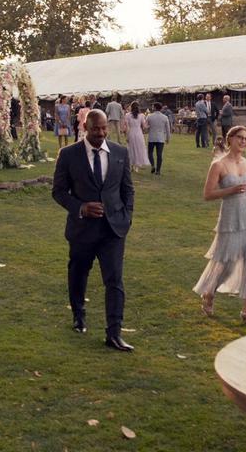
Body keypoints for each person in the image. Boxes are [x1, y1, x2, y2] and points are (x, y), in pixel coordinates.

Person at [52, 109, 135, 352]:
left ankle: (114, 332)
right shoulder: (68, 155)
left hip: (113, 230)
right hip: (82, 230)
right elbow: (58, 192)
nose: (100, 133)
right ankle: (78, 315)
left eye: (103, 129)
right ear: (85, 128)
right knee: (79, 274)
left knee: (115, 280)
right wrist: (81, 208)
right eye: (95, 129)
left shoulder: (120, 153)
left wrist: (126, 217)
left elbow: (127, 189)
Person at [194, 126, 246, 329]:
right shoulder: (219, 165)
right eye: (240, 138)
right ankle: (209, 292)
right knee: (225, 262)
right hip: (230, 219)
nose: (244, 141)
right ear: (230, 139)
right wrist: (231, 190)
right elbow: (207, 194)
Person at [123, 101, 150, 173]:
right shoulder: (141, 115)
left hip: (131, 133)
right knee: (138, 149)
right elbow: (144, 127)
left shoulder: (127, 115)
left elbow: (126, 127)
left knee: (131, 149)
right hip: (139, 133)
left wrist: (126, 135)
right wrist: (149, 125)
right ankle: (136, 166)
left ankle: (131, 165)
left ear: (131, 107)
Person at [145, 102, 170, 175]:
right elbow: (168, 129)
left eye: (153, 107)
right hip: (160, 138)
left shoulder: (149, 116)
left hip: (152, 137)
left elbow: (146, 127)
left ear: (155, 107)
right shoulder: (165, 117)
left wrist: (146, 129)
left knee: (150, 153)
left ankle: (153, 165)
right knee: (159, 154)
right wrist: (168, 138)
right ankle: (158, 170)